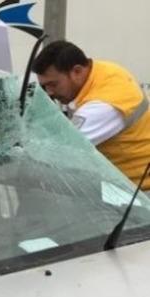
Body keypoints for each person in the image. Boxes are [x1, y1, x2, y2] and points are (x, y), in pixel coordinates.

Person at [33, 40, 150, 188]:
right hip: (123, 181)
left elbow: (63, 152)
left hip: (140, 190)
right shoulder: (103, 71)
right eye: (44, 86)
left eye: (53, 84)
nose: (49, 92)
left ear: (77, 71)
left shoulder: (103, 106)